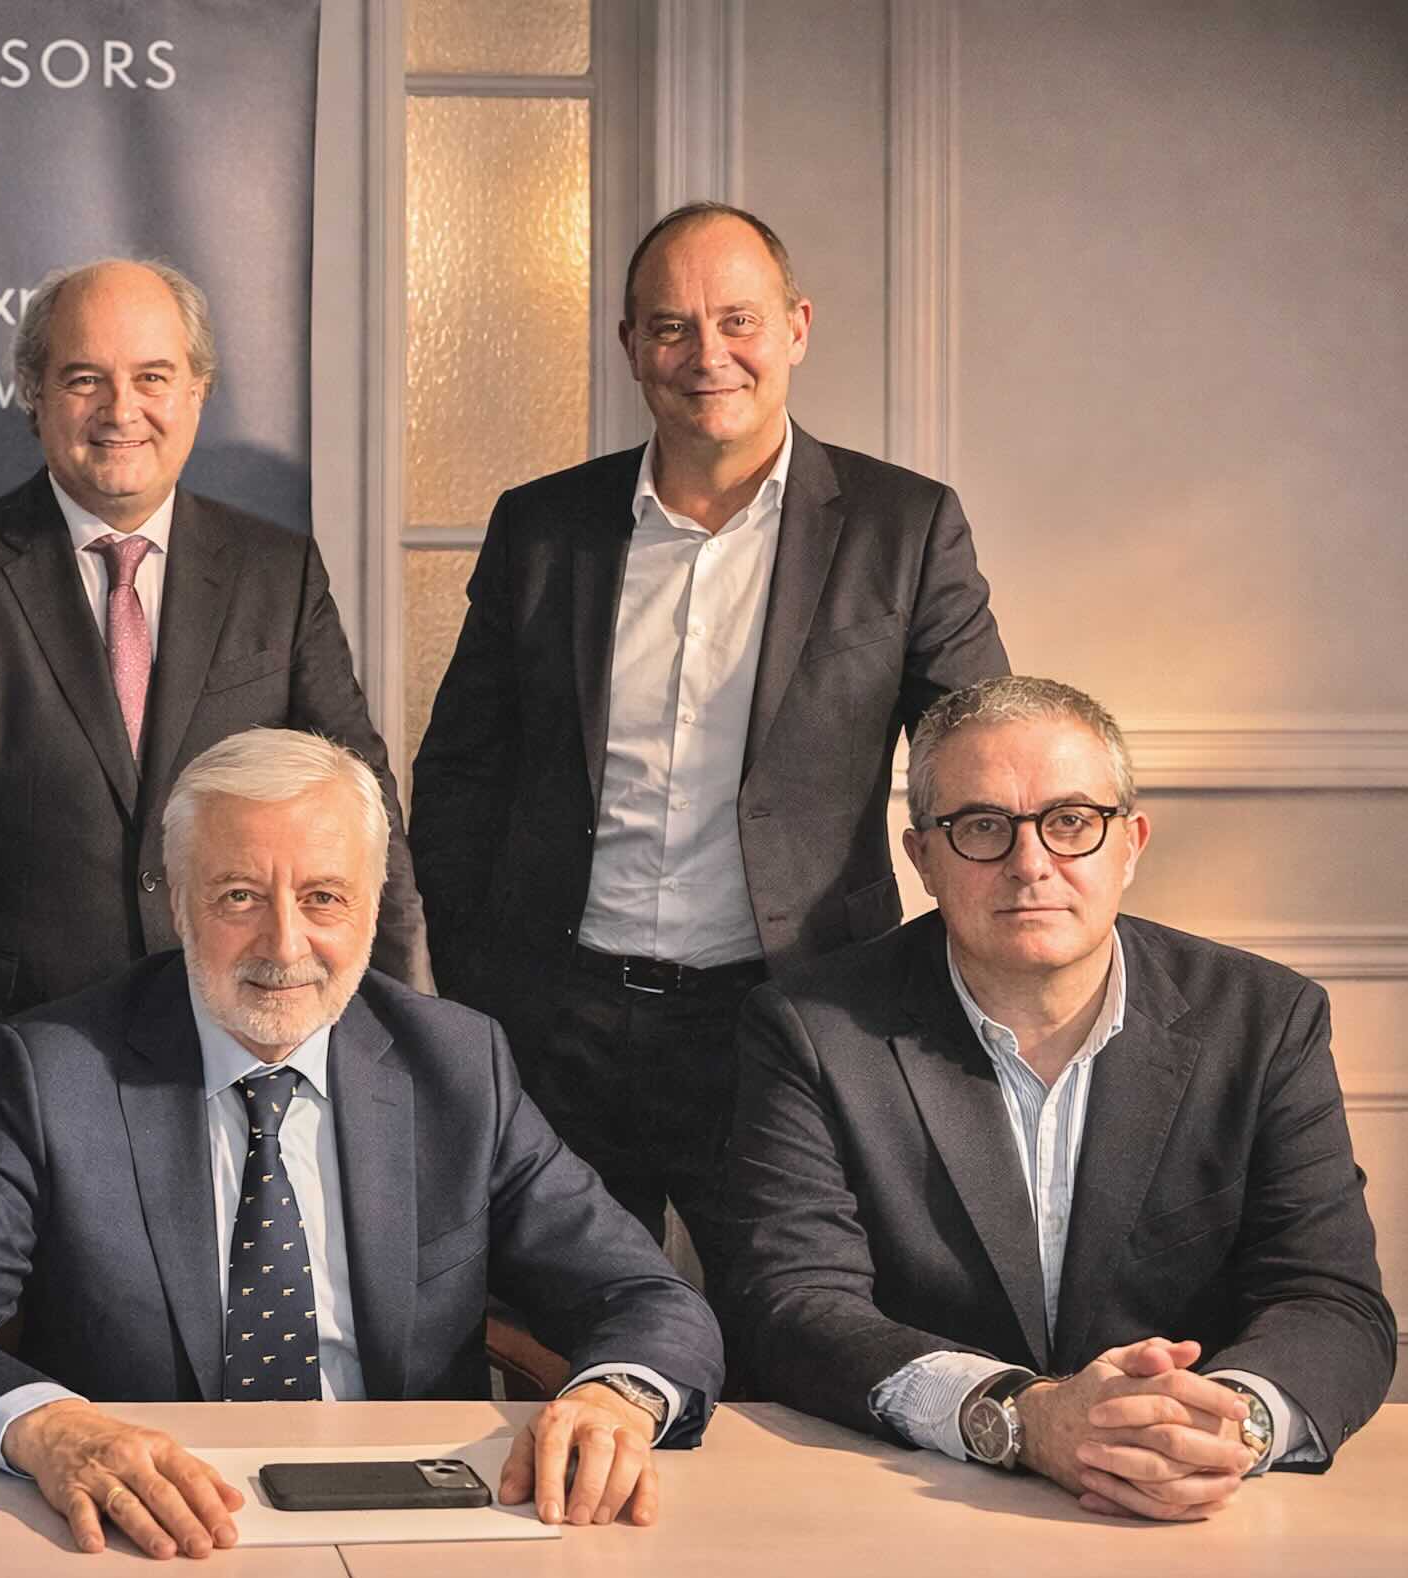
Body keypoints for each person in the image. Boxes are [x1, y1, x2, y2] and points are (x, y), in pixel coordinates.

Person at [0, 729, 722, 1558]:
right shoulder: (55, 1072)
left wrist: (615, 1396)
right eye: (239, 896)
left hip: (415, 1532)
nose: (284, 943)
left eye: (323, 896)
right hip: (151, 1538)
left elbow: (648, 1295)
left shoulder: (456, 1069)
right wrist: (48, 1426)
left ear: (373, 906)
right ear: (179, 902)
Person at [407, 202, 1007, 1302]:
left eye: (737, 320)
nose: (706, 354)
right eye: (671, 326)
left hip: (791, 1017)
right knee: (567, 1333)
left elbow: (981, 759)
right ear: (631, 346)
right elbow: (460, 772)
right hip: (558, 1023)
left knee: (798, 1328)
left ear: (796, 327)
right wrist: (476, 975)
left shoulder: (903, 527)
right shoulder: (543, 527)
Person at [718, 676, 1393, 1520]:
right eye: (982, 826)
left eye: (1071, 821)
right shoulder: (812, 1030)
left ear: (1130, 844)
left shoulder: (1264, 1021)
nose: (1031, 863)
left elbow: (1331, 1300)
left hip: (1197, 1525)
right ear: (923, 858)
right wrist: (1020, 1418)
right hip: (902, 1512)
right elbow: (794, 1305)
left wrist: (1224, 1426)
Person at [0, 258, 426, 1157]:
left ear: (198, 391)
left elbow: (362, 804)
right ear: (33, 395)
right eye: (84, 379)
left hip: (247, 1040)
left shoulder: (278, 572)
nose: (121, 409)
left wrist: (406, 1020)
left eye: (152, 376)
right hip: (15, 1060)